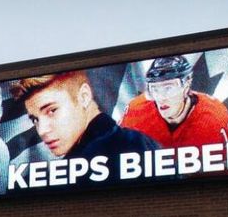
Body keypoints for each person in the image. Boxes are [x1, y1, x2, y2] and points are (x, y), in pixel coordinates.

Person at [10, 71, 160, 185]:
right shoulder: (136, 141)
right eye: (35, 119)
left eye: (51, 111)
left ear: (84, 96)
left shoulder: (119, 148)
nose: (41, 130)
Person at [120, 55, 228, 150]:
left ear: (186, 84)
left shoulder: (211, 118)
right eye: (155, 89)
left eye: (169, 88)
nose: (161, 97)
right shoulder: (135, 112)